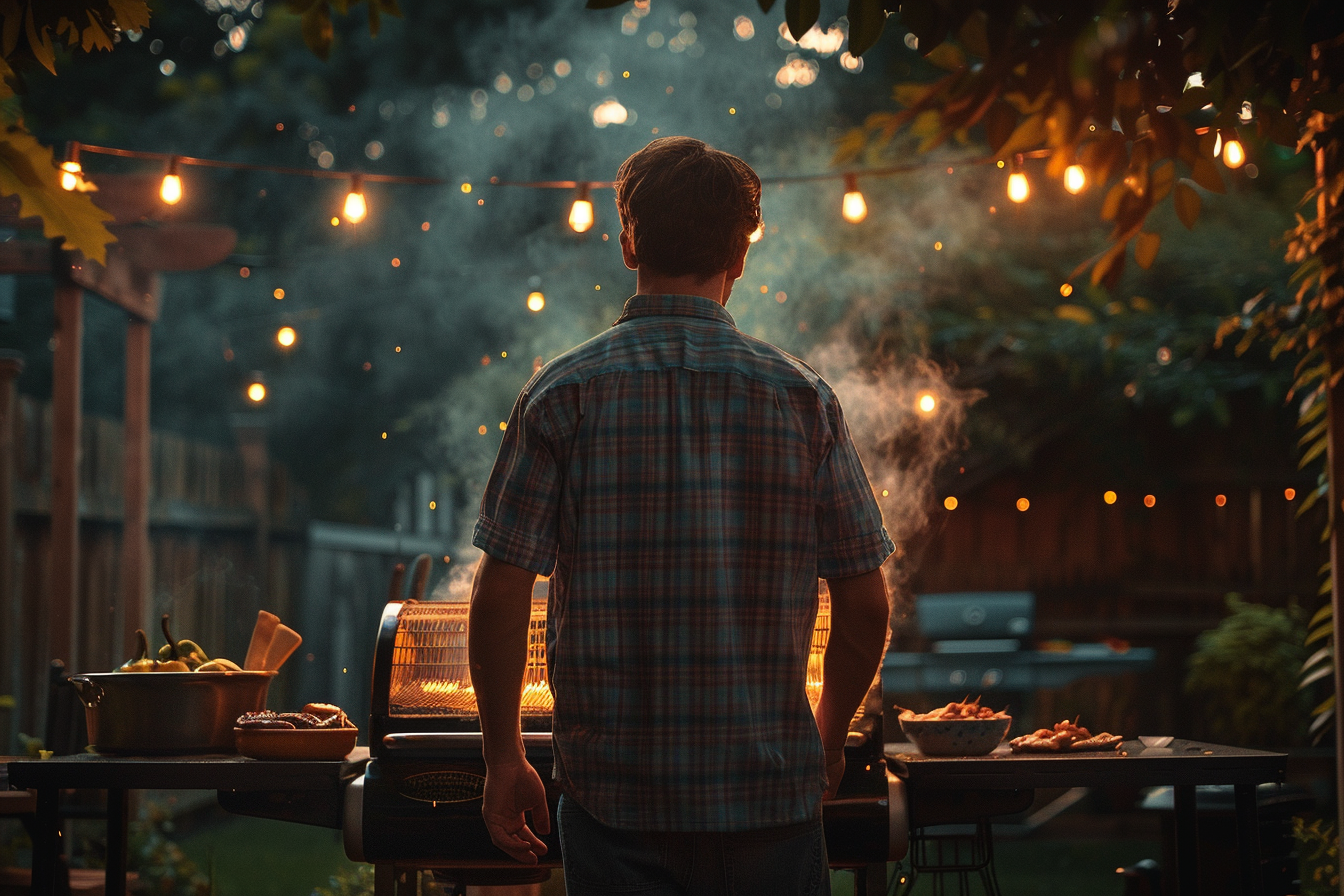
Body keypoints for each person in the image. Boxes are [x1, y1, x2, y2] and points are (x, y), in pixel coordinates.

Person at [467, 136, 893, 896]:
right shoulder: (804, 400)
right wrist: (826, 741)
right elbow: (865, 604)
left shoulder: (563, 392)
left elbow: (501, 592)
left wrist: (504, 758)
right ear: (741, 254)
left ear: (628, 241)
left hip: (616, 810)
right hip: (772, 807)